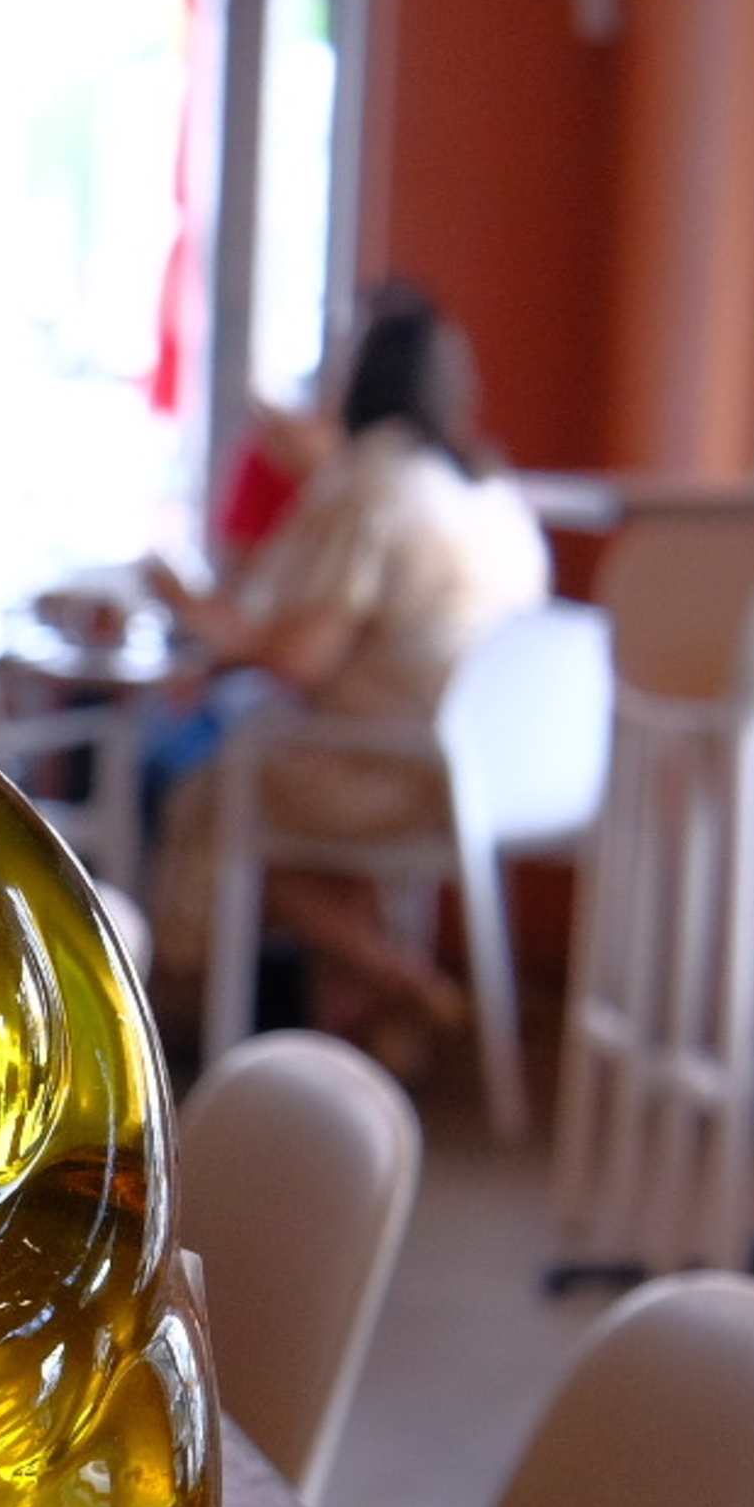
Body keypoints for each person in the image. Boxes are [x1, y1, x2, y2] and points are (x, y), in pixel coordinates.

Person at [141, 283, 550, 1079]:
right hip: (501, 776)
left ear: (358, 383)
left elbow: (298, 657)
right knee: (296, 803)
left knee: (211, 796)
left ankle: (401, 984)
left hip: (394, 773)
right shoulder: (495, 491)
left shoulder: (378, 488)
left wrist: (191, 608)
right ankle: (376, 1022)